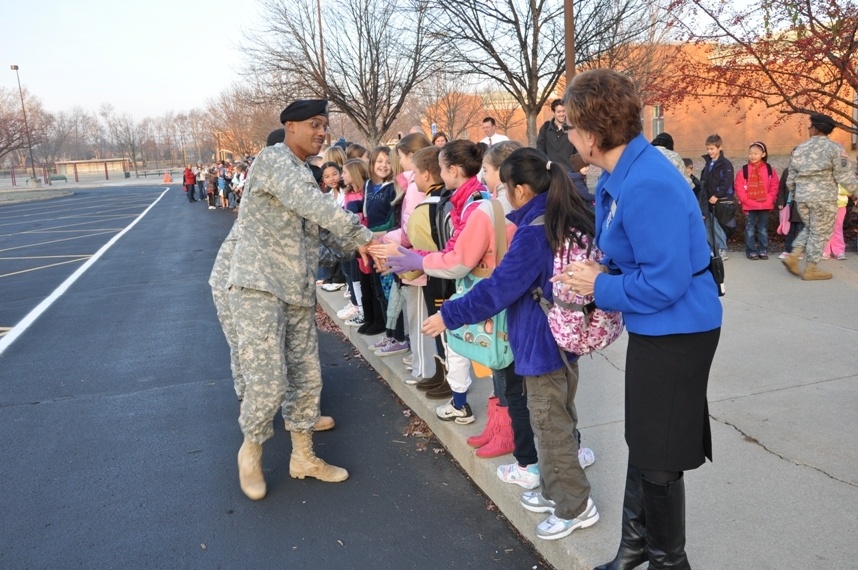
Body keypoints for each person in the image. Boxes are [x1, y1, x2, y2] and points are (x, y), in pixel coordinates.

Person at [557, 68, 721, 568]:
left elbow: (665, 282)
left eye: (569, 126)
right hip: (660, 327)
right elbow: (636, 251)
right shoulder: (620, 173)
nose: (565, 134)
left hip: (679, 329)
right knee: (647, 442)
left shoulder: (646, 181)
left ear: (590, 134)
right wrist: (603, 267)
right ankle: (634, 551)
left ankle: (669, 561)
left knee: (660, 455)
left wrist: (598, 285)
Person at [421, 147, 600, 541]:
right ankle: (557, 490)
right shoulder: (559, 219)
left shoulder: (534, 233)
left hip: (541, 343)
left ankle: (574, 507)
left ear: (520, 189)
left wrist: (447, 315)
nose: (499, 194)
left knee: (549, 425)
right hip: (563, 337)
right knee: (559, 417)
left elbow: (497, 289)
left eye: (503, 187)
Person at [226, 100, 376, 501]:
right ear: (289, 127)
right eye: (314, 124)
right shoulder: (273, 161)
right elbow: (314, 209)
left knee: (308, 378)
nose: (322, 132)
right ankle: (251, 450)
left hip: (295, 291)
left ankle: (304, 457)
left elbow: (322, 235)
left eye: (325, 125)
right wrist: (365, 238)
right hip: (259, 287)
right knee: (269, 380)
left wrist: (364, 249)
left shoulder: (302, 174)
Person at [782, 113, 858, 280]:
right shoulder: (835, 149)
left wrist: (794, 192)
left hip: (802, 197)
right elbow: (844, 176)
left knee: (811, 228)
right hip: (823, 198)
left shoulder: (800, 148)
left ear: (815, 129)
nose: (809, 129)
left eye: (810, 127)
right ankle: (811, 268)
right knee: (820, 231)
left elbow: (791, 176)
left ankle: (794, 256)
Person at [735, 141, 779, 259]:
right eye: (750, 153)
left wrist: (770, 198)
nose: (752, 156)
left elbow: (774, 186)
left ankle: (762, 249)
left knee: (763, 229)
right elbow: (739, 187)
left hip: (765, 204)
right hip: (749, 205)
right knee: (749, 229)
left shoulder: (770, 170)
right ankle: (751, 250)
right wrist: (745, 199)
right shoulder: (744, 170)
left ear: (763, 154)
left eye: (756, 153)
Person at [700, 134, 735, 260]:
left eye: (712, 149)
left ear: (719, 147)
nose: (709, 152)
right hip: (707, 200)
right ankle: (712, 249)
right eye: (708, 149)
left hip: (720, 201)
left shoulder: (726, 164)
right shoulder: (708, 164)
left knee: (718, 226)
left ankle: (722, 249)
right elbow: (704, 181)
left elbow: (726, 182)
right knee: (708, 226)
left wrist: (717, 195)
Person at [536, 99, 577, 174]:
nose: (562, 114)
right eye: (558, 112)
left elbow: (577, 150)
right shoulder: (545, 128)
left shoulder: (573, 128)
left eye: (563, 111)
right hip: (551, 173)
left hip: (569, 173)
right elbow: (540, 149)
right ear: (553, 112)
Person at [823, 185, 850, 260]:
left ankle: (839, 251)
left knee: (838, 227)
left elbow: (849, 189)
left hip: (840, 205)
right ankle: (825, 251)